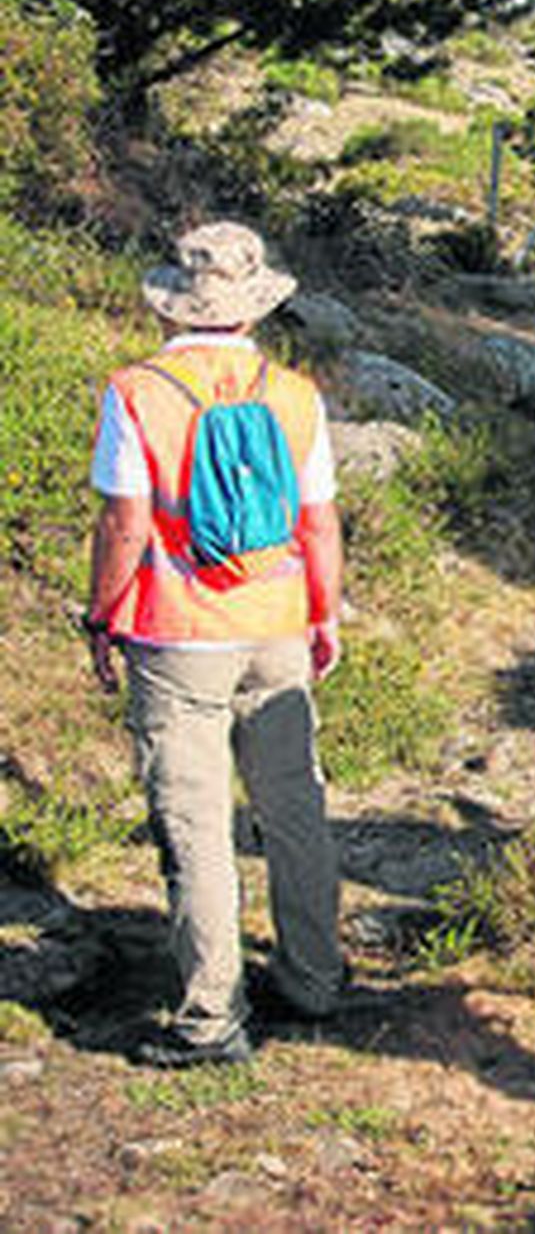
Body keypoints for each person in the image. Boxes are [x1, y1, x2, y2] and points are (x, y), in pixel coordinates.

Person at [84, 221, 346, 1068]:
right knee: (294, 809)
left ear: (175, 306)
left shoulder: (135, 391)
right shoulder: (295, 393)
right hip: (277, 625)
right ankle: (313, 979)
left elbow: (126, 524)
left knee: (196, 825)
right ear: (252, 306)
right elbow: (319, 521)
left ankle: (210, 1015)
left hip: (178, 630)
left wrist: (102, 615)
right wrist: (324, 614)